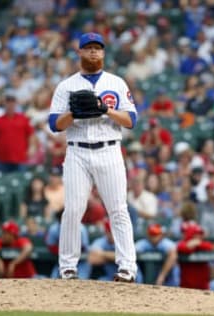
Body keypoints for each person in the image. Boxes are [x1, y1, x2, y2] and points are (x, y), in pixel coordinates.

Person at [48, 32, 138, 282]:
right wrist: (73, 114)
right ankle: (67, 267)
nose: (93, 52)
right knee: (73, 210)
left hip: (110, 150)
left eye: (98, 48)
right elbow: (55, 124)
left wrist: (105, 109)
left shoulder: (117, 83)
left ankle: (127, 268)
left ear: (104, 53)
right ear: (79, 52)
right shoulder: (67, 86)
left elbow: (131, 120)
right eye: (88, 48)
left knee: (118, 209)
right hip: (77, 151)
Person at [0, 90, 36, 173]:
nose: (10, 104)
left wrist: (31, 147)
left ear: (16, 103)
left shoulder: (23, 119)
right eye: (8, 101)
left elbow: (30, 135)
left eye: (12, 101)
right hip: (2, 159)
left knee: (21, 182)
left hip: (20, 158)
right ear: (4, 103)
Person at [177, 222, 213, 289]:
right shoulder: (182, 244)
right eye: (196, 234)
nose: (199, 236)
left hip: (203, 288)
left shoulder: (204, 244)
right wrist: (191, 246)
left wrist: (197, 244)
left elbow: (210, 247)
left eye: (200, 234)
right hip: (186, 287)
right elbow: (181, 247)